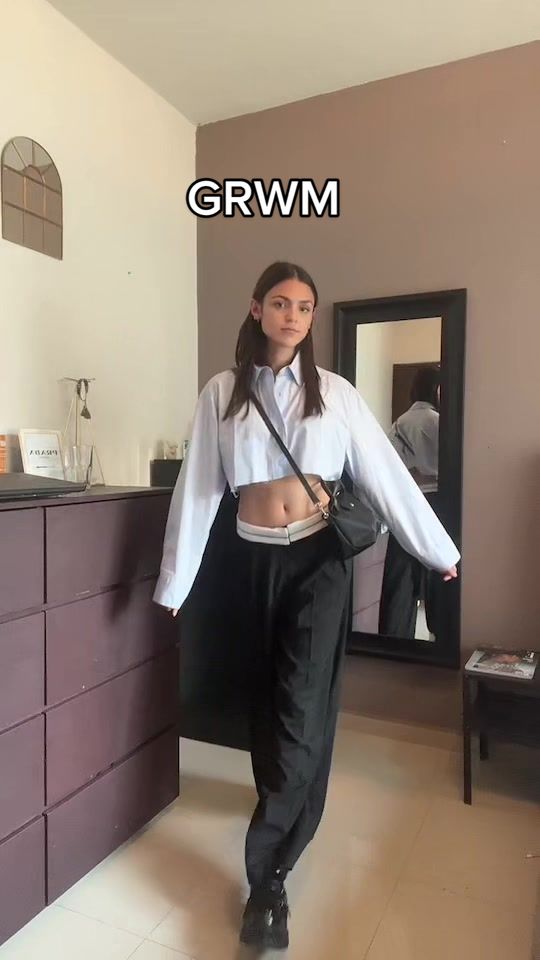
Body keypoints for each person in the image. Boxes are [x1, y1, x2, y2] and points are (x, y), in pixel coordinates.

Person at [153, 262, 459, 951]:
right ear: (257, 309)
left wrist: (435, 548)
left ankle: (268, 879)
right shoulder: (223, 393)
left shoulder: (336, 394)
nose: (293, 315)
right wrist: (176, 583)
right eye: (281, 303)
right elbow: (198, 490)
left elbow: (383, 475)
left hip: (318, 563)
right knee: (268, 705)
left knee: (298, 706)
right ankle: (286, 810)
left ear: (311, 318)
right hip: (253, 561)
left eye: (304, 306)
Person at [379, 365, 443, 638]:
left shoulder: (400, 423)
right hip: (438, 501)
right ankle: (441, 634)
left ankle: (394, 638)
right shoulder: (439, 422)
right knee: (439, 573)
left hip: (406, 502)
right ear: (437, 389)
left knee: (400, 576)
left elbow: (388, 466)